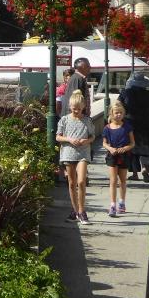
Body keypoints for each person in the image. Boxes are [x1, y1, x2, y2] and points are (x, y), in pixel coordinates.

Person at [57, 90, 95, 224]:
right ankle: (75, 210)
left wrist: (87, 141)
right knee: (72, 183)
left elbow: (92, 136)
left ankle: (82, 211)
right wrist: (69, 139)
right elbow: (58, 136)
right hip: (68, 152)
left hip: (83, 153)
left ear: (83, 107)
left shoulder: (87, 120)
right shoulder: (64, 120)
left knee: (81, 181)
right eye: (74, 109)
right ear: (70, 107)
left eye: (79, 109)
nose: (76, 111)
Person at [119, 72, 149, 182]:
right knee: (146, 146)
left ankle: (135, 174)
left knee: (132, 147)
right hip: (146, 123)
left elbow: (118, 106)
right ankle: (144, 168)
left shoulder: (125, 93)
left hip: (129, 122)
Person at [102, 102, 135, 217]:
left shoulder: (127, 126)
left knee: (122, 180)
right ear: (111, 114)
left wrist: (126, 148)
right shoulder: (107, 128)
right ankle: (112, 205)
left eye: (121, 113)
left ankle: (122, 202)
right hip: (112, 155)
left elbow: (132, 143)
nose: (118, 115)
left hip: (124, 155)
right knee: (113, 181)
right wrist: (110, 148)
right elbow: (104, 143)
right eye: (116, 113)